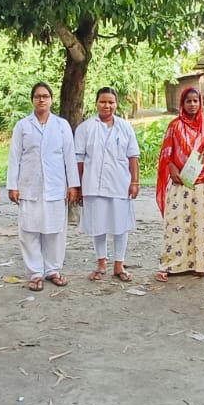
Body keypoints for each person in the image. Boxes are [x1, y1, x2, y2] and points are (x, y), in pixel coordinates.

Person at [8, 83, 80, 291]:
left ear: (51, 99)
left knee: (55, 230)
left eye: (45, 96)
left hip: (56, 186)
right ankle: (35, 273)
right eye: (38, 96)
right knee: (29, 230)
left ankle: (53, 270)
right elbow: (14, 157)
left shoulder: (61, 125)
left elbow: (69, 156)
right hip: (29, 185)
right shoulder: (22, 126)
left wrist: (73, 185)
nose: (41, 100)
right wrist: (13, 185)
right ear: (32, 100)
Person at [75, 87, 140, 282]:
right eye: (103, 101)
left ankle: (119, 264)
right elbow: (78, 159)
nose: (107, 105)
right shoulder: (85, 128)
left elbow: (133, 156)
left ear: (116, 104)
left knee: (120, 225)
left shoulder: (125, 127)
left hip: (120, 183)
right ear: (96, 103)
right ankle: (101, 263)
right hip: (93, 184)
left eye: (111, 102)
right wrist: (78, 186)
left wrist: (135, 181)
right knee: (98, 225)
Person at [155, 86, 204, 281]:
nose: (192, 105)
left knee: (200, 223)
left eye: (196, 101)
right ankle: (171, 264)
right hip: (179, 182)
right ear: (182, 104)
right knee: (176, 221)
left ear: (201, 103)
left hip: (200, 183)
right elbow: (167, 152)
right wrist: (172, 168)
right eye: (188, 101)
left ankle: (201, 263)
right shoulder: (174, 126)